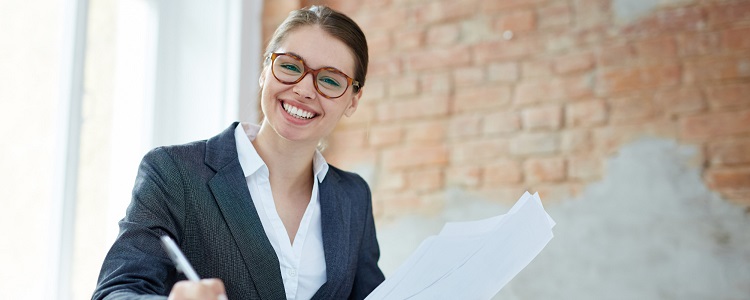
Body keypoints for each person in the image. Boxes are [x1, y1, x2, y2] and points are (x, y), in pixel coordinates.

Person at [93, 5, 384, 300]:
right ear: (265, 71)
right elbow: (116, 292)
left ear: (353, 101)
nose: (305, 90)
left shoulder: (354, 197)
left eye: (331, 80)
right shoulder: (173, 172)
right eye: (290, 66)